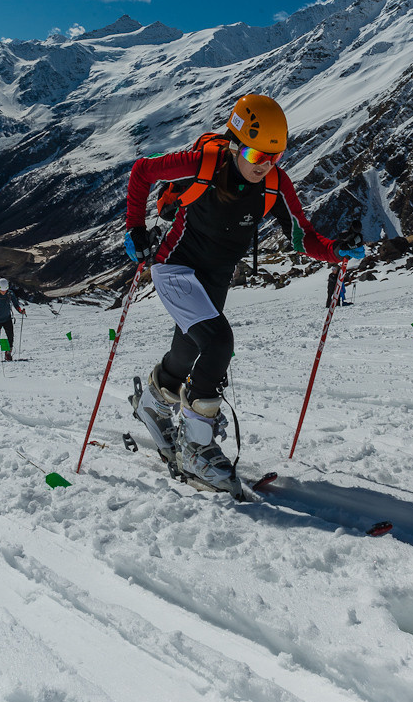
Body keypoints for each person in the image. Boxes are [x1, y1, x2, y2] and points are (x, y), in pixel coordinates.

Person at [125, 93, 364, 497]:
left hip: (216, 276)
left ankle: (153, 400)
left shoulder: (274, 182)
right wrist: (134, 229)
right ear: (236, 143)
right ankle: (197, 446)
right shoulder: (202, 164)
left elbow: (301, 236)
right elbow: (142, 172)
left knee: (189, 350)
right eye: (256, 152)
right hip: (176, 267)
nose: (265, 163)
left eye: (275, 155)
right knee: (219, 343)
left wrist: (335, 250)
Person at [0, 278, 25, 361]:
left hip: (7, 319)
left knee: (10, 337)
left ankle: (8, 353)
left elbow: (16, 304)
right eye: (2, 290)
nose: (3, 292)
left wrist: (20, 311)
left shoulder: (10, 294)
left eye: (5, 290)